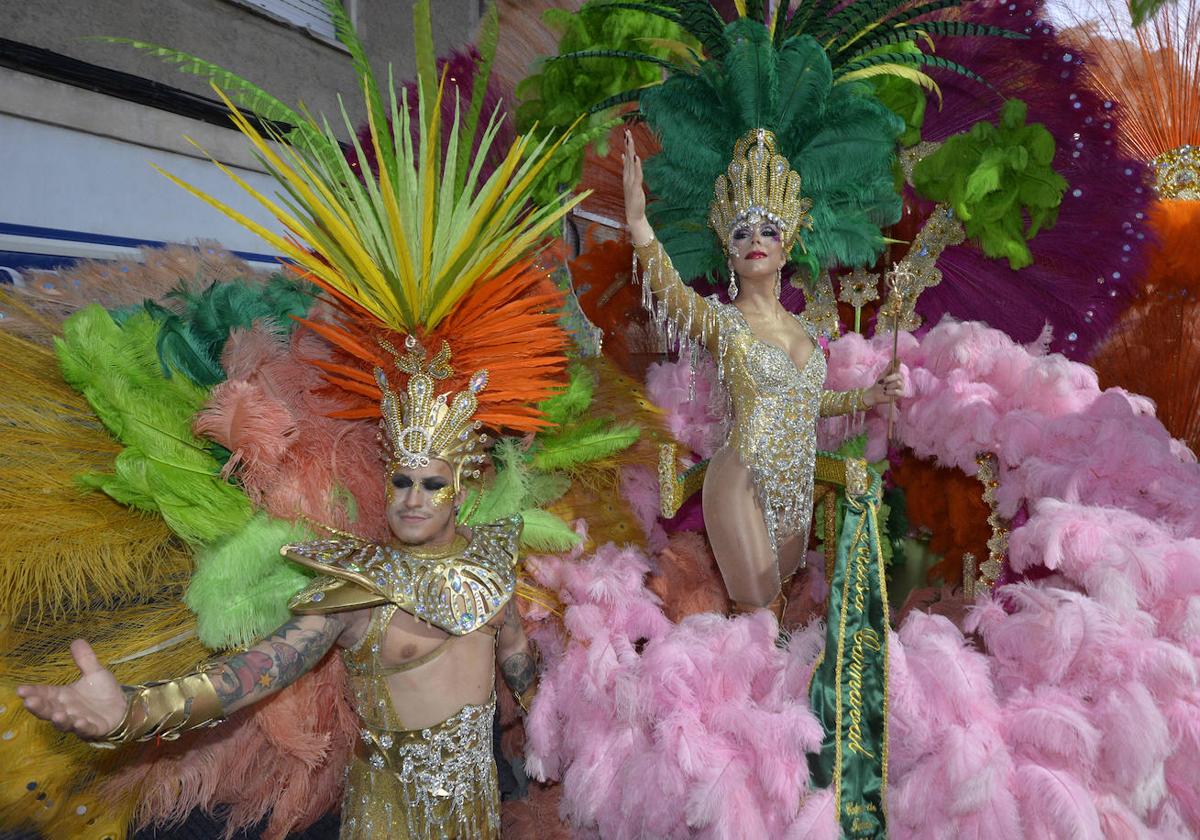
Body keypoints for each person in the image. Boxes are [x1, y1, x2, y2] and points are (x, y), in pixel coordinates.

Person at [17, 348, 538, 840]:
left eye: (432, 485)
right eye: (401, 482)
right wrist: (133, 711)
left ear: (460, 492)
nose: (412, 499)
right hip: (390, 811)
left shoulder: (490, 564)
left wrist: (542, 719)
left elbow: (512, 644)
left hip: (476, 804)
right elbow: (255, 672)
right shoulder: (356, 589)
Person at [622, 127, 904, 619]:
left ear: (785, 247)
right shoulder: (723, 323)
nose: (755, 239)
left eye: (768, 230)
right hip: (740, 483)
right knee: (759, 613)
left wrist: (869, 397)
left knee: (773, 617)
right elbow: (671, 294)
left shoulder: (803, 327)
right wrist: (640, 226)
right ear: (729, 254)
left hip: (795, 494)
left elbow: (804, 404)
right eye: (740, 233)